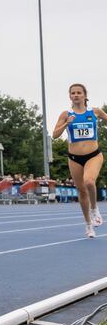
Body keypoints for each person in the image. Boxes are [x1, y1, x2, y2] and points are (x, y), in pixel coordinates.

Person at [52, 84, 106, 238]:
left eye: (79, 93)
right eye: (73, 93)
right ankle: (89, 225)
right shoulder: (66, 114)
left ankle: (95, 209)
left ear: (84, 95)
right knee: (82, 191)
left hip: (93, 155)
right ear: (70, 96)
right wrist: (66, 123)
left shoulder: (94, 112)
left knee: (89, 181)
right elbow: (55, 135)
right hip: (74, 158)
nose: (76, 95)